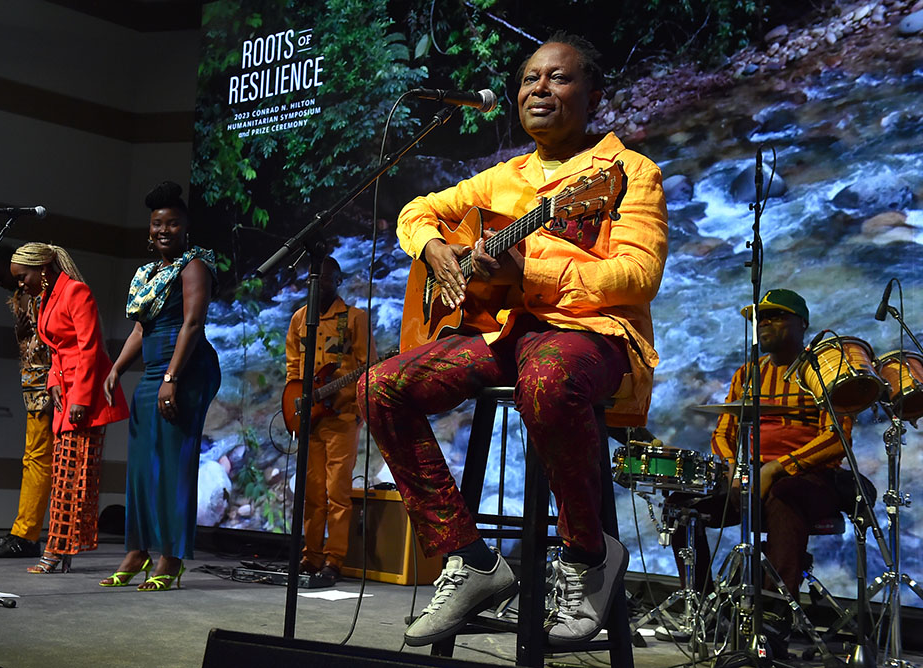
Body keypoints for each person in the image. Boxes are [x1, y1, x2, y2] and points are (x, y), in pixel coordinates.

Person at [357, 32, 668, 647]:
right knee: (379, 387)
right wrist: (435, 248)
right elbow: (415, 211)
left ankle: (588, 555)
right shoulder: (502, 178)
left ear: (594, 94)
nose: (539, 89)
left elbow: (638, 276)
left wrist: (528, 273)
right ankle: (470, 560)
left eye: (558, 78)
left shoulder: (629, 173)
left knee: (547, 379)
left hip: (590, 337)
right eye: (529, 79)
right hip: (504, 334)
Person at [671, 289, 853, 604]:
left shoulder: (825, 371)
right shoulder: (747, 375)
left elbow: (838, 439)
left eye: (776, 316)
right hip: (752, 474)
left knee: (784, 495)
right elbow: (724, 432)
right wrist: (730, 467)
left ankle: (772, 612)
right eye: (761, 318)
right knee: (681, 505)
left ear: (803, 323)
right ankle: (701, 602)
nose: (765, 323)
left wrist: (775, 469)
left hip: (812, 477)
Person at [100, 181, 221, 591]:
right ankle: (137, 550)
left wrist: (171, 378)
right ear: (149, 230)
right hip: (154, 373)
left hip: (186, 371)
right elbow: (141, 327)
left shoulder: (194, 266)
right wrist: (117, 367)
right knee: (141, 468)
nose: (163, 230)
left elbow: (192, 322)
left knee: (173, 467)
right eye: (156, 224)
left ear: (185, 228)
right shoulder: (150, 273)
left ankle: (170, 557)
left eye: (171, 223)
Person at [10, 243, 129, 573]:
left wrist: (79, 397)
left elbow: (89, 347)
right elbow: (57, 351)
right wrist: (53, 383)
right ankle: (59, 549)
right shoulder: (47, 297)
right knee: (64, 473)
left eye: (23, 277)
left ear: (42, 268)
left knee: (72, 477)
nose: (21, 284)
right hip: (66, 392)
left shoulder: (76, 292)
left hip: (84, 394)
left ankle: (57, 549)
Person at [285, 256, 376, 582]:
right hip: (310, 420)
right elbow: (293, 369)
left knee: (338, 493)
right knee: (311, 494)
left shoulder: (354, 318)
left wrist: (360, 409)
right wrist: (295, 406)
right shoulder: (299, 319)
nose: (318, 284)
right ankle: (310, 557)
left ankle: (333, 560)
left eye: (324, 279)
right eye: (313, 279)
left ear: (337, 280)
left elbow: (370, 369)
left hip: (342, 416)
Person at [0, 245, 52, 559]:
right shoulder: (24, 298)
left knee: (38, 460)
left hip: (50, 389)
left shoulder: (44, 295)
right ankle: (23, 530)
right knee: (32, 459)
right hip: (34, 388)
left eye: (2, 276)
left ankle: (26, 534)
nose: (3, 283)